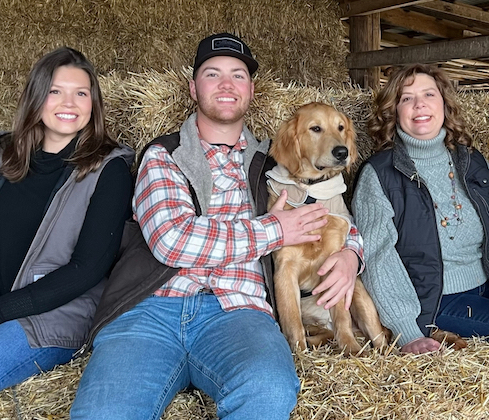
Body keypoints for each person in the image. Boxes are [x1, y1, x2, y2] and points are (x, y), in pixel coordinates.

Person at [70, 33, 364, 420]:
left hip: (239, 311)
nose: (226, 84)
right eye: (213, 74)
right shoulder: (164, 154)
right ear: (193, 88)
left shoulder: (276, 163)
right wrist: (274, 229)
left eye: (237, 75)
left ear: (252, 90)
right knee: (102, 413)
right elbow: (172, 239)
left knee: (269, 392)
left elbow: (332, 216)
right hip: (151, 310)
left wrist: (350, 255)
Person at [0, 47, 134, 420]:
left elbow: (87, 269)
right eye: (55, 91)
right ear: (36, 97)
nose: (70, 103)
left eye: (81, 93)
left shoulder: (107, 169)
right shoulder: (3, 156)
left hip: (54, 312)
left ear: (94, 103)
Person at [352, 64, 489, 355]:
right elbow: (378, 255)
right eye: (406, 98)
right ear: (394, 111)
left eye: (428, 94)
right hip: (437, 302)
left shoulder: (471, 162)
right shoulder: (379, 175)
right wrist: (408, 331)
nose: (419, 104)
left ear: (444, 105)